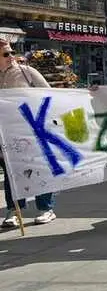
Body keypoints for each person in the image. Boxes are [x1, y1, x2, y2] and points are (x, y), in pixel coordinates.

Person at [0, 38, 57, 227]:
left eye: (10, 52)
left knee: (40, 167)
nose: (11, 56)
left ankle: (46, 208)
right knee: (11, 171)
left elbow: (50, 95)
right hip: (7, 132)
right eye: (5, 54)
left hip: (32, 129)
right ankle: (14, 210)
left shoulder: (27, 72)